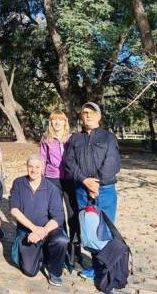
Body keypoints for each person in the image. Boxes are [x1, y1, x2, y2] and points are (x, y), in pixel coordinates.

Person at [64, 102, 121, 280]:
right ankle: (96, 266)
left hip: (104, 191)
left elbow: (112, 162)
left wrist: (96, 183)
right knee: (89, 229)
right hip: (82, 190)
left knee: (105, 229)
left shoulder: (108, 138)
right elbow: (69, 163)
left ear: (99, 116)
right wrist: (85, 181)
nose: (87, 116)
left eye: (91, 113)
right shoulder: (75, 139)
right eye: (84, 113)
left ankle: (109, 267)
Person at [9, 154, 69, 286]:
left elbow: (58, 217)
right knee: (29, 271)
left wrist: (42, 231)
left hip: (48, 230)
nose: (34, 170)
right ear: (26, 167)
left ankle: (55, 271)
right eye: (30, 166)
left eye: (37, 167)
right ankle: (42, 253)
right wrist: (34, 229)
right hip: (27, 231)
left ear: (43, 168)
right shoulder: (19, 183)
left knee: (61, 240)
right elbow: (14, 209)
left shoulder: (51, 189)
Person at [40, 110, 81, 262]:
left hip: (70, 179)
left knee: (73, 215)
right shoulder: (46, 139)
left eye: (60, 120)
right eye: (53, 120)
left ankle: (75, 250)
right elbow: (42, 160)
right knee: (58, 215)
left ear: (65, 122)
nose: (56, 122)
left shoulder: (72, 138)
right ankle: (61, 248)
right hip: (52, 179)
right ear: (50, 123)